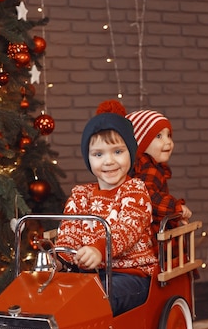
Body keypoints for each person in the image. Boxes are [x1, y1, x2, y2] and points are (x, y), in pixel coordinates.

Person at [56, 102, 159, 317]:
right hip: (89, 275)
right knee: (58, 295)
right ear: (89, 158)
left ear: (130, 153)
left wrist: (98, 249)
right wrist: (58, 258)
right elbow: (69, 232)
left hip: (131, 276)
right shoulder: (80, 195)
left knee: (98, 296)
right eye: (98, 154)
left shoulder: (135, 190)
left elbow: (127, 230)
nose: (109, 161)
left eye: (118, 151)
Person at [125, 109, 192, 238]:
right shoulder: (149, 168)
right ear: (140, 143)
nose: (168, 142)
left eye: (169, 135)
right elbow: (147, 197)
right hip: (153, 236)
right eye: (159, 136)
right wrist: (176, 208)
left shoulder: (144, 166)